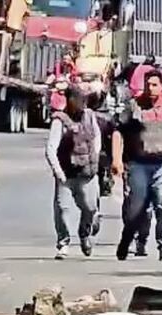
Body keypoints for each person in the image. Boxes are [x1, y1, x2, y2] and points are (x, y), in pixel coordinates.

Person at [111, 69, 162, 262]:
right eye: (147, 84)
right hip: (138, 164)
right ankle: (138, 240)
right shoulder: (134, 106)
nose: (150, 88)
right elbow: (118, 132)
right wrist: (116, 159)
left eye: (154, 85)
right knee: (139, 209)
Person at [45, 85, 101, 259]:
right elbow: (50, 149)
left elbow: (97, 137)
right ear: (69, 100)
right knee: (62, 208)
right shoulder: (59, 121)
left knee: (90, 208)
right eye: (78, 99)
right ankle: (63, 243)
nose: (82, 103)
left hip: (87, 172)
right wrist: (59, 173)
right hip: (66, 173)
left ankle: (84, 233)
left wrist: (94, 156)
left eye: (84, 99)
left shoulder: (90, 117)